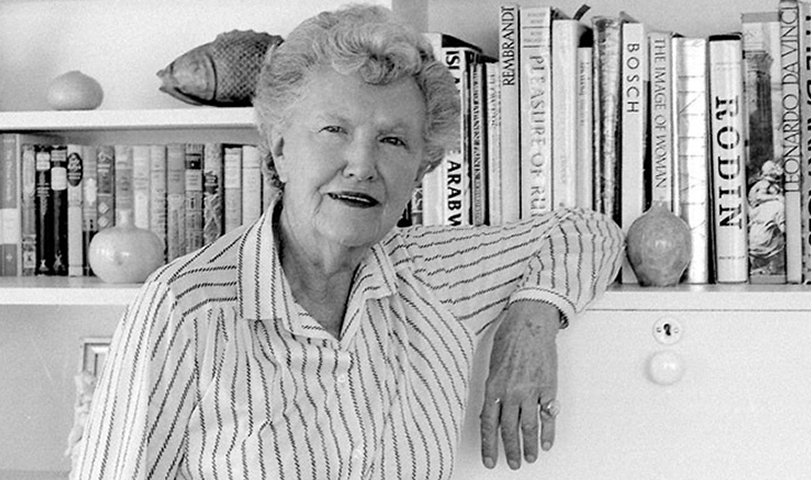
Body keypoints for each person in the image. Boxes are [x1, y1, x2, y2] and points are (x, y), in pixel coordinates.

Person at [74, 5, 624, 479]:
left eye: (392, 140)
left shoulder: (434, 277)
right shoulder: (184, 307)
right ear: (280, 147)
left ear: (423, 168)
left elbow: (589, 232)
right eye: (334, 130)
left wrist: (533, 319)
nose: (361, 166)